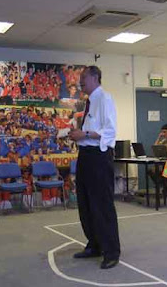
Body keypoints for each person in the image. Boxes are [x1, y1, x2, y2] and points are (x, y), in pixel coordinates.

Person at [68, 66, 120, 269]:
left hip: (99, 156)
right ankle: (94, 244)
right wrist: (78, 134)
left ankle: (111, 251)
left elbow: (110, 130)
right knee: (86, 203)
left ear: (95, 77)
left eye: (83, 77)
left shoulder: (105, 98)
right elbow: (91, 129)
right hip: (86, 156)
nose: (80, 81)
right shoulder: (89, 102)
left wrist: (86, 135)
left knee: (102, 205)